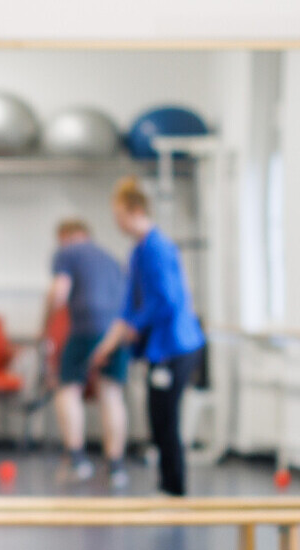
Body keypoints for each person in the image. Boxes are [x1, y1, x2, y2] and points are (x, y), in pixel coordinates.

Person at [91, 176, 207, 497]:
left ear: (135, 210)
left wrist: (134, 327)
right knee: (157, 419)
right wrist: (109, 342)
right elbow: (130, 305)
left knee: (166, 420)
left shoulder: (158, 248)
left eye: (118, 215)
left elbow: (167, 300)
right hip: (159, 350)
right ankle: (167, 485)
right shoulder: (139, 252)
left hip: (176, 346)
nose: (116, 222)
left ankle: (174, 489)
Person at [41, 218, 131, 489]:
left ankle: (77, 460)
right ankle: (115, 467)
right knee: (111, 393)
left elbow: (59, 293)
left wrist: (44, 326)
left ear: (66, 235)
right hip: (117, 331)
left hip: (86, 327)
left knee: (67, 388)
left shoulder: (67, 252)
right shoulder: (111, 258)